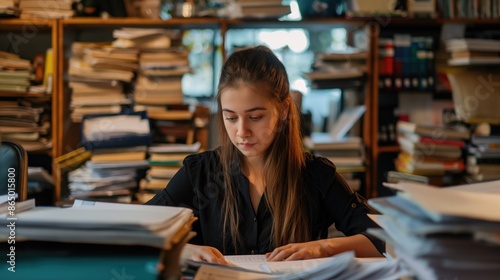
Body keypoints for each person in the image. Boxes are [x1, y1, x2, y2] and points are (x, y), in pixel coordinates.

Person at [146, 45, 384, 264]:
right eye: (230, 117)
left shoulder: (316, 175)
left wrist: (321, 248)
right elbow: (137, 233)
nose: (242, 132)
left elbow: (383, 239)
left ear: (282, 111)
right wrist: (184, 250)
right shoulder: (199, 174)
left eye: (255, 117)